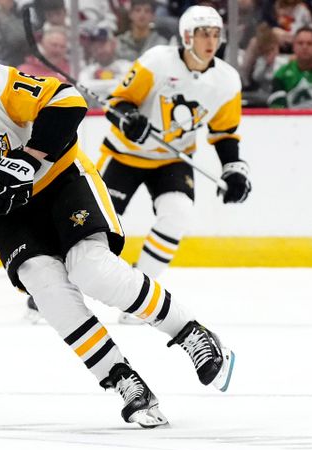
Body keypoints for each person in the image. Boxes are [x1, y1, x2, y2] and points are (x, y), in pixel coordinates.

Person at [0, 39, 236, 429]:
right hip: (7, 214)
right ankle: (123, 380)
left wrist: (28, 159)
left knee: (91, 269)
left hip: (61, 182)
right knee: (45, 287)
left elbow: (68, 102)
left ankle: (191, 331)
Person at [96, 5, 252, 320]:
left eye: (215, 34)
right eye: (202, 33)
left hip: (171, 159)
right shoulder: (156, 62)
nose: (210, 41)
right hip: (124, 156)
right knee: (95, 230)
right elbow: (119, 102)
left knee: (177, 214)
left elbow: (224, 133)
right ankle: (55, 287)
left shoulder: (227, 81)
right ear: (186, 36)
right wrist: (131, 119)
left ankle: (139, 295)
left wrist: (233, 169)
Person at [267, 26, 312, 107]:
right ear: (293, 46)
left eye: (310, 43)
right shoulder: (282, 74)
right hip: (290, 119)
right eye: (300, 43)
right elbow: (277, 107)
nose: (305, 47)